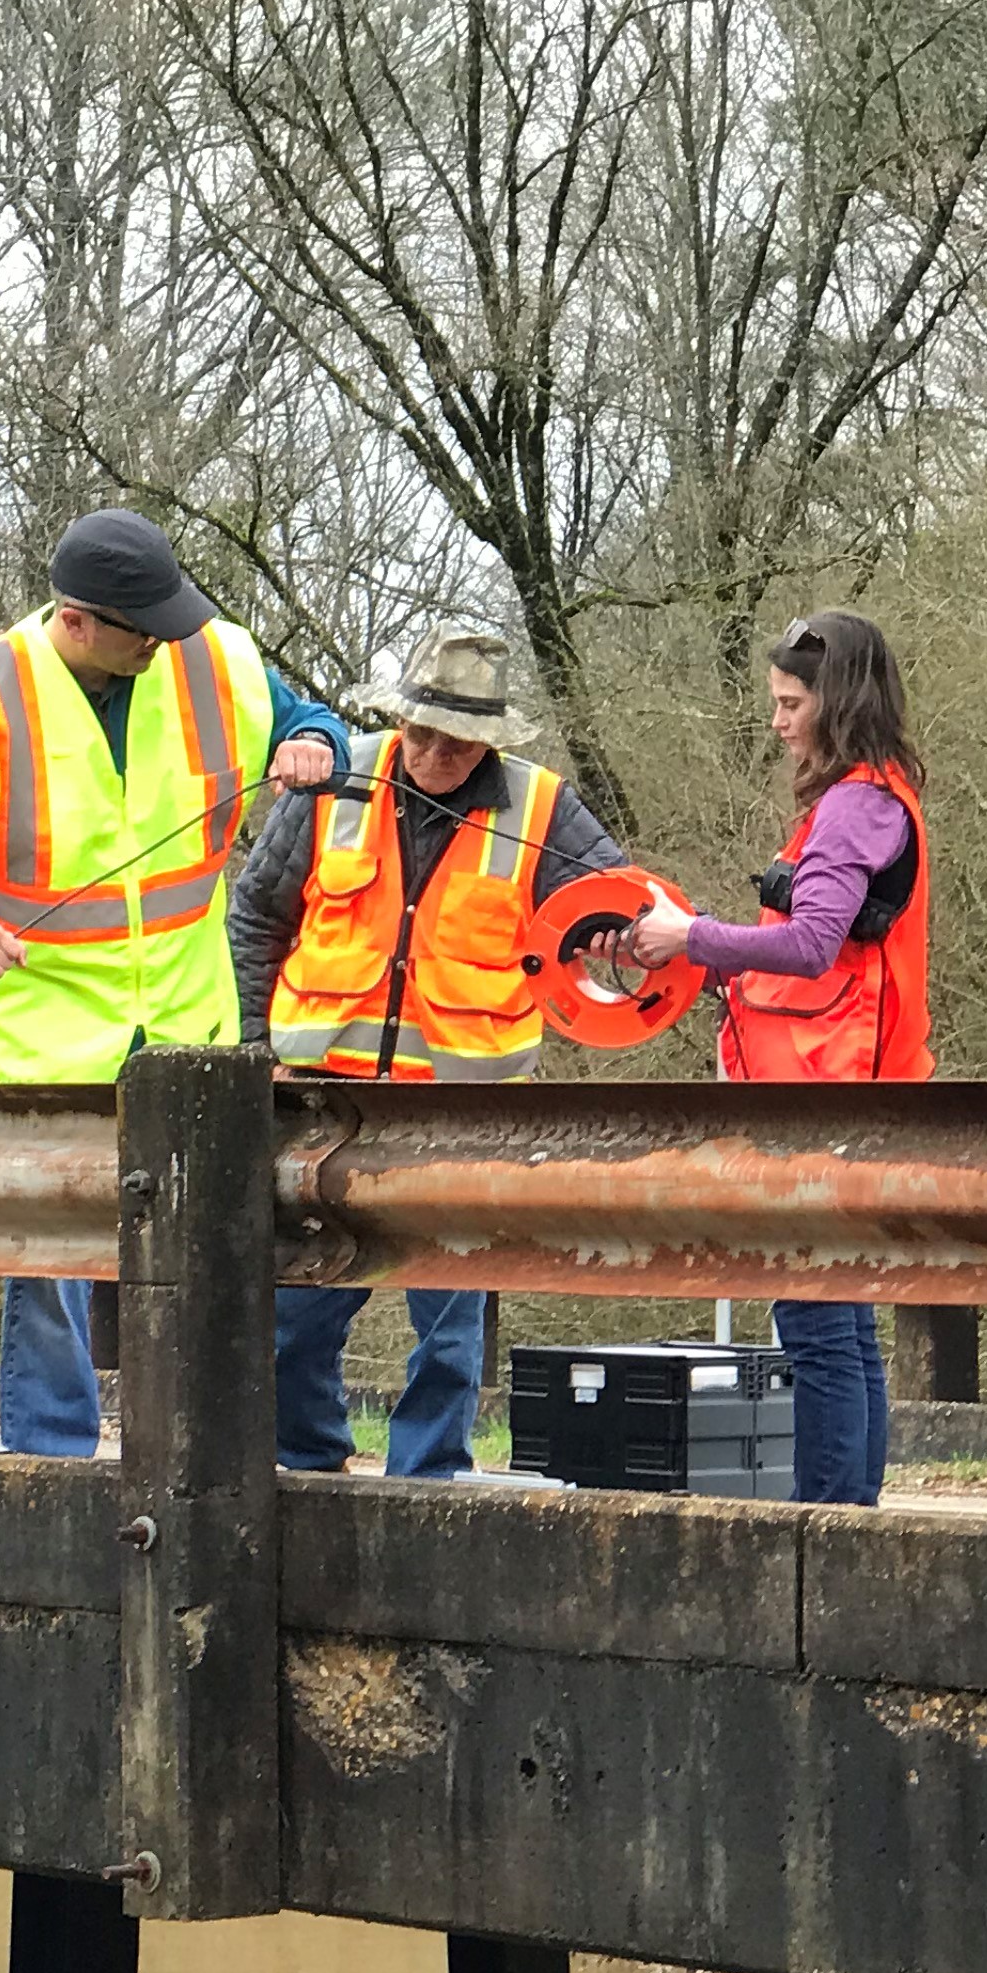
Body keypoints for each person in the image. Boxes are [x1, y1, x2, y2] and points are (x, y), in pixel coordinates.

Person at [0, 509, 350, 1457]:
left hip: (187, 1020)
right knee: (46, 1264)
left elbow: (308, 720)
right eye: (143, 627)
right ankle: (52, 1459)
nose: (165, 640)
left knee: (203, 1247)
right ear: (79, 621)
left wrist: (317, 744)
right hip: (45, 1030)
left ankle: (197, 1449)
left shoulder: (214, 658)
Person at [226, 625, 630, 1477]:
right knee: (298, 1308)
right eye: (419, 731)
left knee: (450, 1322)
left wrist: (632, 949)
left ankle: (428, 1474)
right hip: (320, 1098)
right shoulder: (336, 781)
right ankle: (303, 1459)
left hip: (462, 1108)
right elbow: (258, 911)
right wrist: (258, 1042)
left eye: (454, 740)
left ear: (488, 741)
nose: (431, 753)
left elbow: (616, 911)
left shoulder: (539, 806)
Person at [609, 608, 934, 1505]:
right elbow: (820, 963)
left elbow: (812, 945)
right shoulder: (876, 798)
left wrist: (693, 937)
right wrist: (710, 966)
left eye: (793, 704)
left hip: (820, 1101)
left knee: (817, 1325)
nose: (780, 722)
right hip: (845, 1088)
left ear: (836, 704)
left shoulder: (852, 810)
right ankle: (851, 1523)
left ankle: (828, 1527)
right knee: (842, 1323)